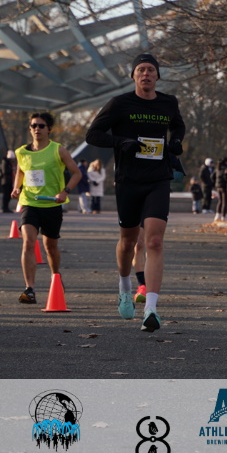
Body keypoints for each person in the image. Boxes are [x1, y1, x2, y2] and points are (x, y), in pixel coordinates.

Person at [85, 52, 186, 332]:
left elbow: (178, 124)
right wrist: (121, 142)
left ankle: (151, 309)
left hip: (158, 178)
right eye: (141, 69)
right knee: (128, 242)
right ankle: (124, 287)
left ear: (157, 75)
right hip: (129, 180)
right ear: (133, 76)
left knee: (154, 242)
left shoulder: (168, 102)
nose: (146, 74)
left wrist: (176, 140)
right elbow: (93, 134)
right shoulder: (120, 103)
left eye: (151, 69)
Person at [10, 113, 83, 305]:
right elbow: (20, 171)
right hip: (30, 203)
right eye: (33, 125)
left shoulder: (58, 150)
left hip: (52, 204)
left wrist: (65, 191)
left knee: (50, 247)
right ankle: (29, 289)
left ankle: (55, 276)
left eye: (41, 126)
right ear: (30, 128)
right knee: (28, 242)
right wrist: (16, 187)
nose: (37, 129)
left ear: (49, 129)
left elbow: (76, 173)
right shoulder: (21, 152)